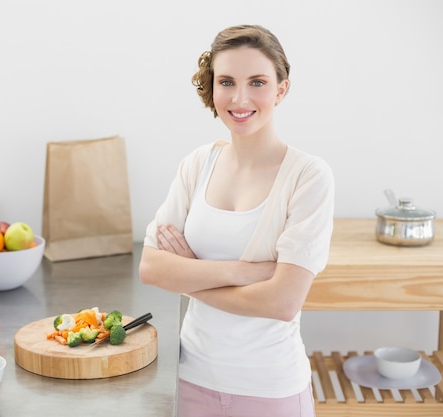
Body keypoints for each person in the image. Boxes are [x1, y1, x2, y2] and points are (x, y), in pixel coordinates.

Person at [139, 24, 334, 417]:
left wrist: (191, 275)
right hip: (191, 381)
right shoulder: (197, 164)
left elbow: (282, 302)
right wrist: (245, 273)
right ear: (212, 88)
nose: (240, 98)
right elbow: (151, 267)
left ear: (281, 90)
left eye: (257, 82)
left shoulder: (308, 176)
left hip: (270, 391)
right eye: (226, 81)